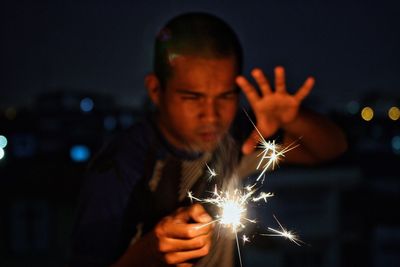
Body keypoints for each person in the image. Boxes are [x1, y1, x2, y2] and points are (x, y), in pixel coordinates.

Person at [68, 12, 347, 267]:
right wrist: (149, 252)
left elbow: (331, 148)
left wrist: (293, 119)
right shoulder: (119, 169)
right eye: (192, 97)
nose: (211, 115)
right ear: (155, 90)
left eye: (225, 97)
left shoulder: (239, 139)